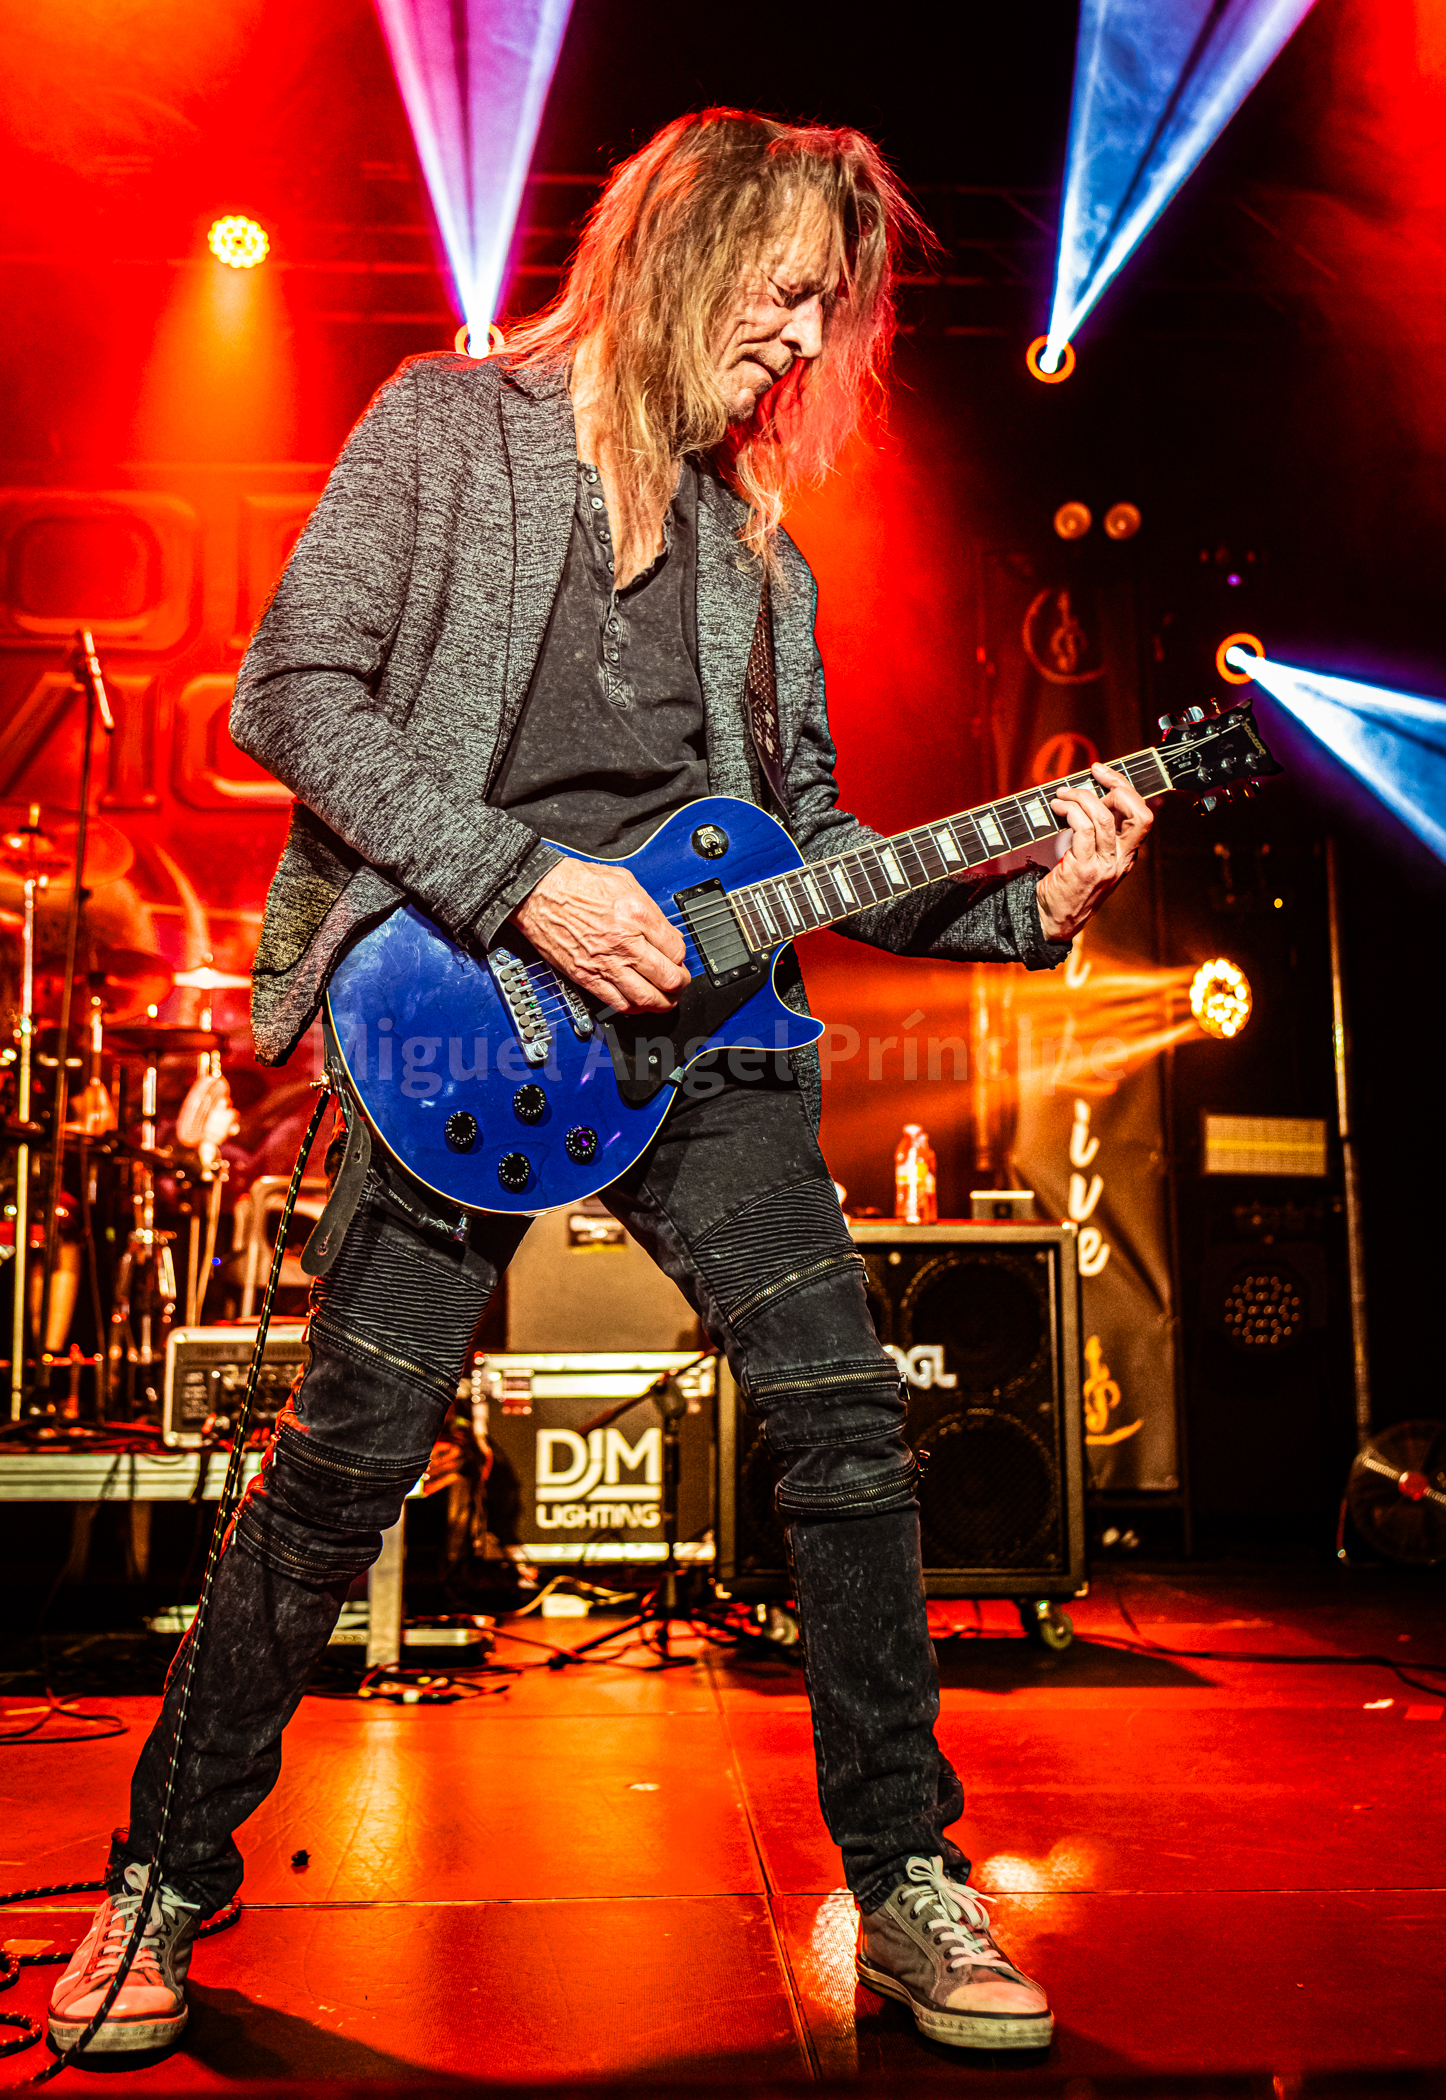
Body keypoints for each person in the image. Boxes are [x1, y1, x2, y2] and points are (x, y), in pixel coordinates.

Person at [50, 109, 1152, 2059]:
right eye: (784, 294)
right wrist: (525, 887)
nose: (803, 342)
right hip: (461, 1007)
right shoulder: (444, 427)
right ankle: (159, 1878)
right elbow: (291, 692)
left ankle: (906, 1875)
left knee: (843, 1421)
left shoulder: (759, 551)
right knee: (338, 1470)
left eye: (828, 314)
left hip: (708, 1043)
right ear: (679, 249)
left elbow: (816, 845)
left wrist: (1030, 903)